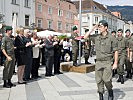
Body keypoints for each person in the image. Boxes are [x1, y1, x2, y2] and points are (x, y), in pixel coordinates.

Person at [84, 20, 118, 100]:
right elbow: (85, 37)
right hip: (98, 62)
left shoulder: (112, 38)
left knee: (107, 79)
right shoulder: (96, 37)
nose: (99, 28)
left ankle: (110, 91)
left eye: (101, 26)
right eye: (99, 26)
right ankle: (101, 95)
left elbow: (116, 51)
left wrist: (115, 63)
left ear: (106, 27)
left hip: (107, 62)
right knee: (98, 80)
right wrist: (93, 28)